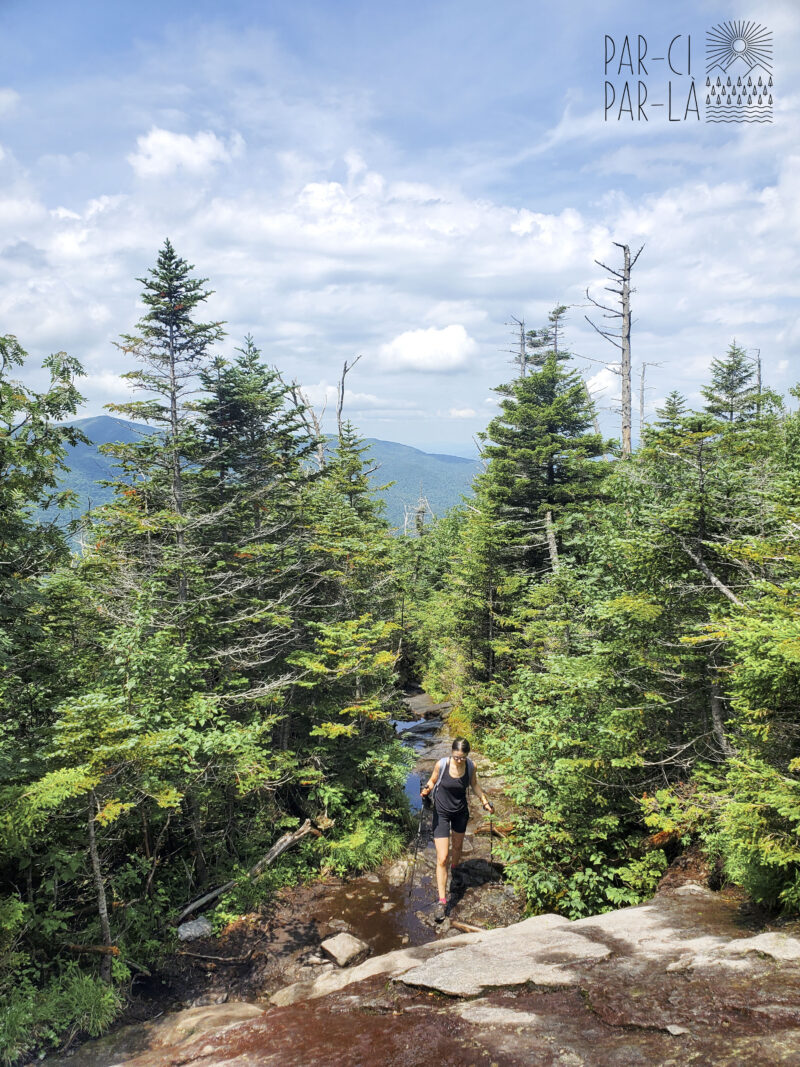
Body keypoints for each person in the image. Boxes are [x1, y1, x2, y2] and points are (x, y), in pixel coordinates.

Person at [420, 737, 493, 921]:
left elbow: (474, 784)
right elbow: (433, 779)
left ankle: (455, 870)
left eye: (462, 757)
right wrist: (426, 789)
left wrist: (484, 802)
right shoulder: (442, 764)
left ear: (467, 755)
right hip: (442, 813)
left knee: (458, 849)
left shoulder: (470, 766)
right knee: (442, 857)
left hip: (460, 812)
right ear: (451, 753)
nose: (459, 760)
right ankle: (442, 901)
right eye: (456, 757)